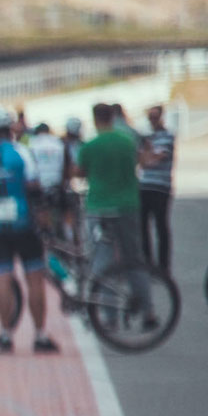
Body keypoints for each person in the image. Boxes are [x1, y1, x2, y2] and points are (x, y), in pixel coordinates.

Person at [0, 111, 57, 355]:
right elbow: (34, 186)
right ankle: (40, 335)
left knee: (3, 278)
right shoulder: (22, 153)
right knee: (34, 278)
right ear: (10, 129)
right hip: (23, 223)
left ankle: (5, 335)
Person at [75, 101, 153, 330]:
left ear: (95, 119)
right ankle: (148, 310)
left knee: (103, 262)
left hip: (100, 208)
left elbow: (80, 172)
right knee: (134, 258)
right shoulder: (127, 141)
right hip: (128, 206)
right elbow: (141, 161)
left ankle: (110, 317)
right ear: (113, 117)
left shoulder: (91, 146)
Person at [136, 104, 176, 275]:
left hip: (161, 186)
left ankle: (163, 265)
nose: (152, 120)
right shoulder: (147, 137)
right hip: (145, 185)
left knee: (161, 225)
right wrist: (148, 155)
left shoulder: (167, 136)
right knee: (143, 226)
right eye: (150, 117)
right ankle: (148, 262)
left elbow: (153, 159)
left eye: (154, 116)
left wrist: (147, 153)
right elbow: (144, 161)